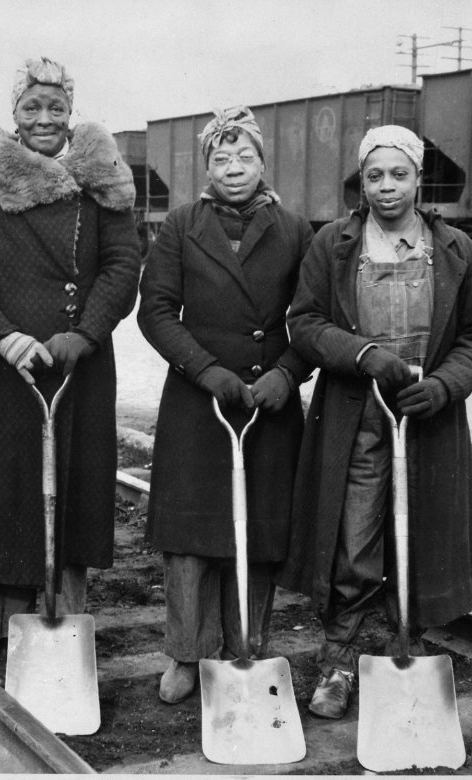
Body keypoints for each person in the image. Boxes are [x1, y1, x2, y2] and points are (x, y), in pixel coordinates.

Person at [277, 124, 472, 719]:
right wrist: (360, 353)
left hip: (427, 416)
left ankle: (409, 644)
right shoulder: (334, 245)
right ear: (361, 180)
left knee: (420, 530)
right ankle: (339, 657)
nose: (386, 187)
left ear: (418, 178)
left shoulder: (455, 250)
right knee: (354, 537)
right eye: (374, 175)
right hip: (357, 416)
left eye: (398, 174)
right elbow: (304, 322)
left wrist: (445, 386)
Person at [0, 57, 141, 686]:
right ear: (15, 113)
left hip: (77, 364)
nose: (43, 119)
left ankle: (63, 620)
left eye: (54, 107)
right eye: (30, 107)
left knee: (72, 490)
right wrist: (4, 337)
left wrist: (83, 333)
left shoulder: (103, 178)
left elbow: (122, 265)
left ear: (70, 112)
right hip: (4, 366)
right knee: (3, 493)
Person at [137, 106, 314, 704]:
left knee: (259, 528)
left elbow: (315, 320)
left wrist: (288, 376)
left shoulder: (293, 229)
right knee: (189, 532)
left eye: (245, 158)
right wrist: (205, 368)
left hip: (267, 403)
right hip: (199, 400)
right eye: (221, 158)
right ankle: (187, 654)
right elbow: (155, 311)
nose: (233, 168)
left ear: (263, 163)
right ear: (205, 166)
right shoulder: (181, 225)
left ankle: (249, 643)